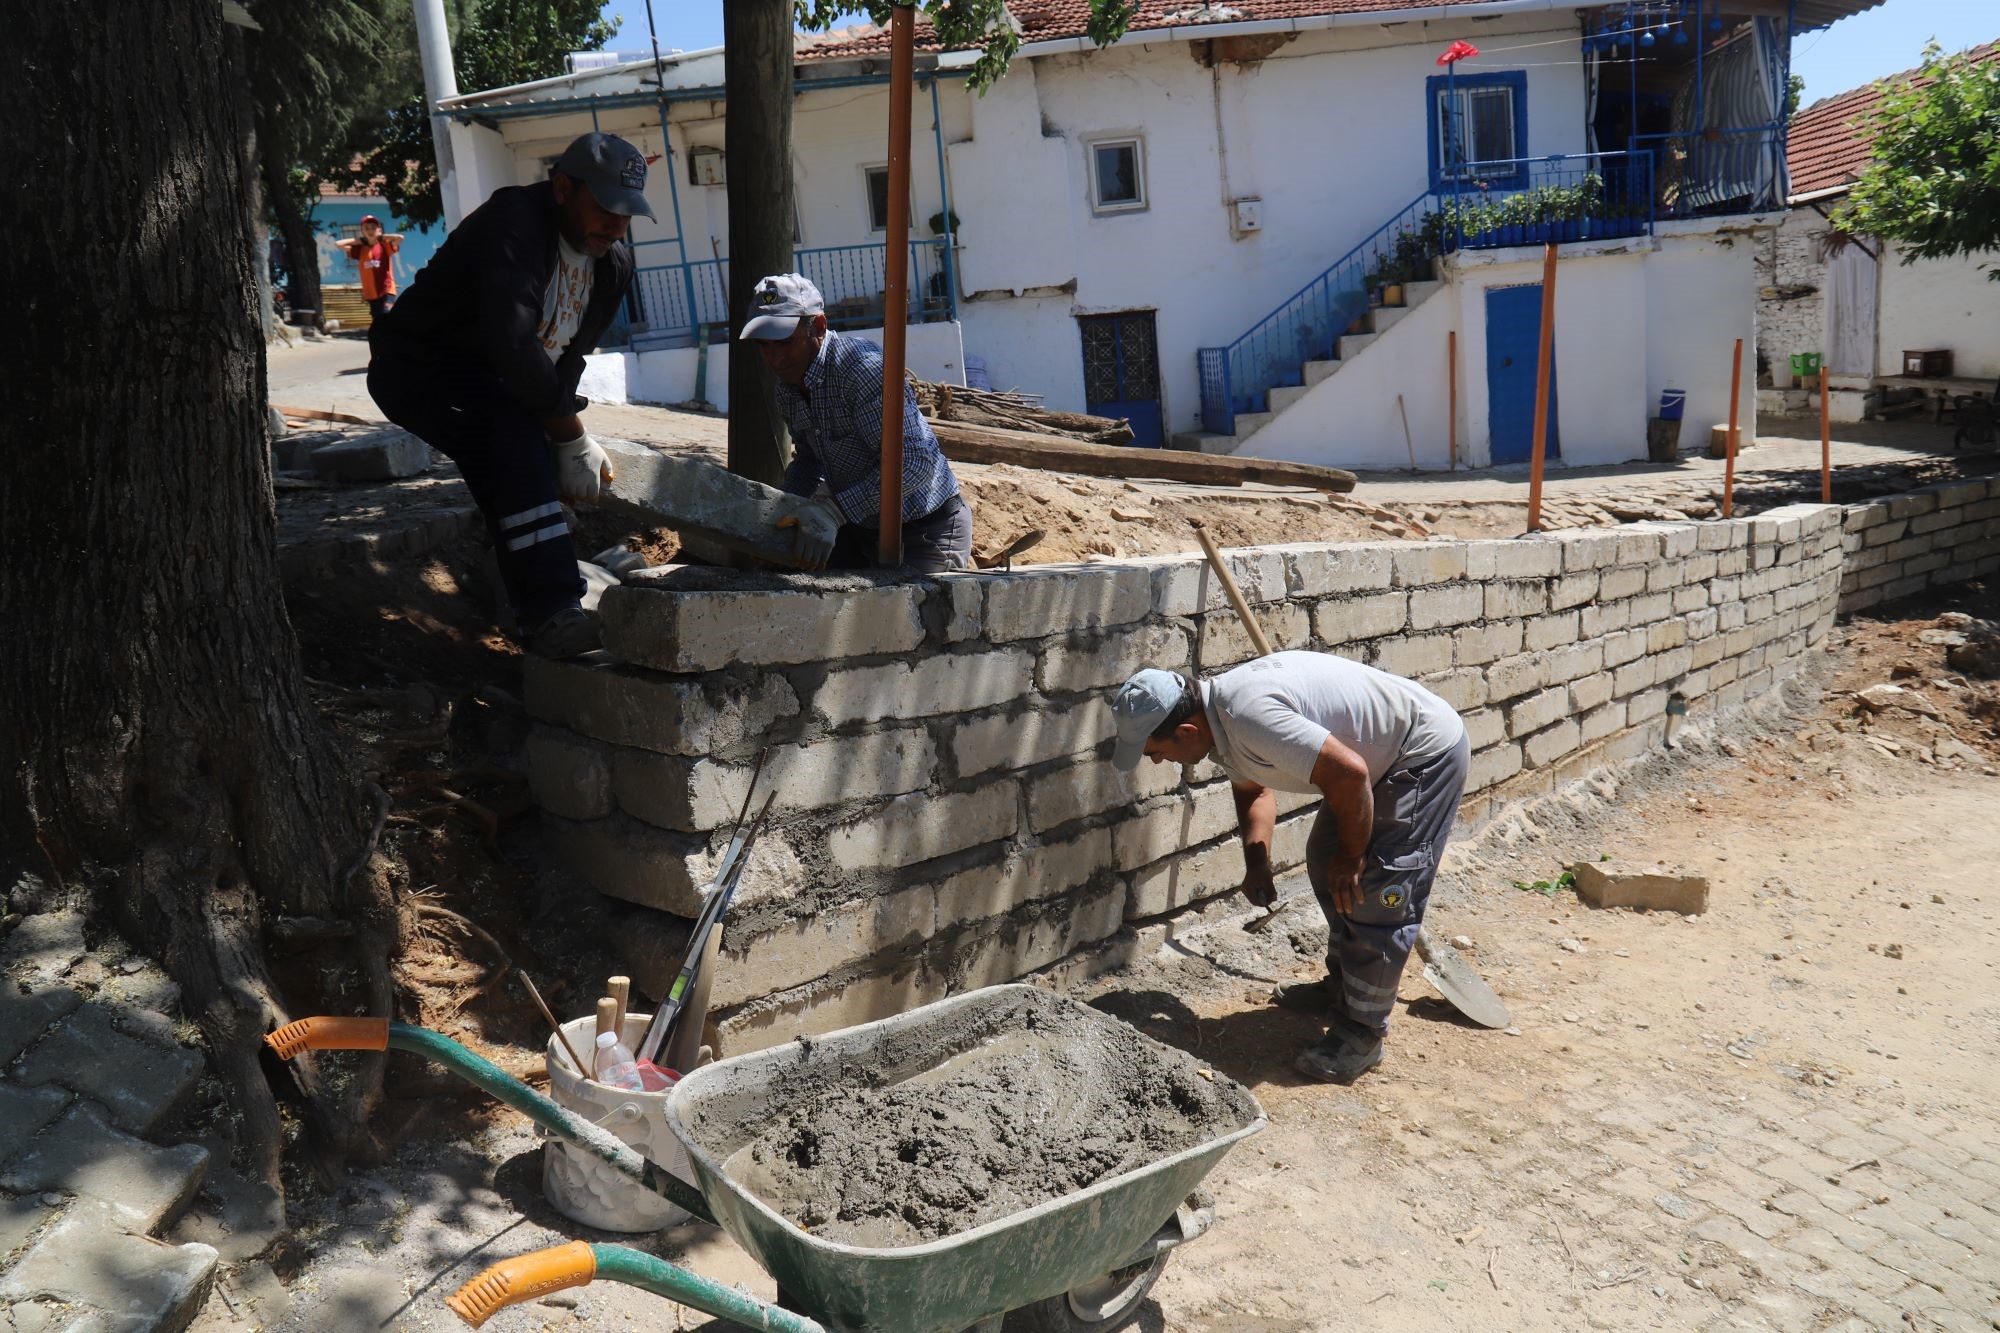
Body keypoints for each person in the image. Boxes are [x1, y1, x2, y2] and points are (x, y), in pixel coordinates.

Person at [1108, 652, 1470, 1084]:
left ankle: (1362, 1031)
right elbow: (1254, 792)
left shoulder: (1250, 718)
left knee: (1378, 891)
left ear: (1187, 732)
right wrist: (1256, 862)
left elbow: (1351, 776)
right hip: (1368, 764)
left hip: (1420, 753)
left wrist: (1353, 857)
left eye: (1156, 751)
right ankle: (1344, 986)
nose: (1156, 761)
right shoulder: (1217, 721)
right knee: (1325, 856)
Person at [366, 132, 651, 657]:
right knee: (513, 443)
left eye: (628, 214)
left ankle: (533, 607)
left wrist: (563, 431)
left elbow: (568, 359)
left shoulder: (613, 265)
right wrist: (568, 435)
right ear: (563, 189)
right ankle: (553, 614)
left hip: (496, 382)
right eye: (606, 208)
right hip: (420, 371)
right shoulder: (514, 223)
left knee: (517, 466)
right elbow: (514, 345)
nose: (617, 225)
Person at [738, 273, 972, 574]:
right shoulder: (787, 389)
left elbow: (914, 462)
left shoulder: (864, 371)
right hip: (860, 529)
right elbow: (809, 461)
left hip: (925, 531)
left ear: (818, 326)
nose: (775, 358)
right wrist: (779, 517)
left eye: (784, 342)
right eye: (764, 345)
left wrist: (834, 512)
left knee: (911, 604)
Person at [336, 215, 403, 320]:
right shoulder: (360, 249)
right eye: (366, 228)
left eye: (373, 228)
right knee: (377, 320)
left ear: (379, 230)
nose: (370, 231)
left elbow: (399, 238)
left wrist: (381, 237)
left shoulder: (384, 246)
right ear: (362, 231)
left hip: (387, 290)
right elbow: (338, 244)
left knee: (387, 317)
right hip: (371, 293)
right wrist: (359, 240)